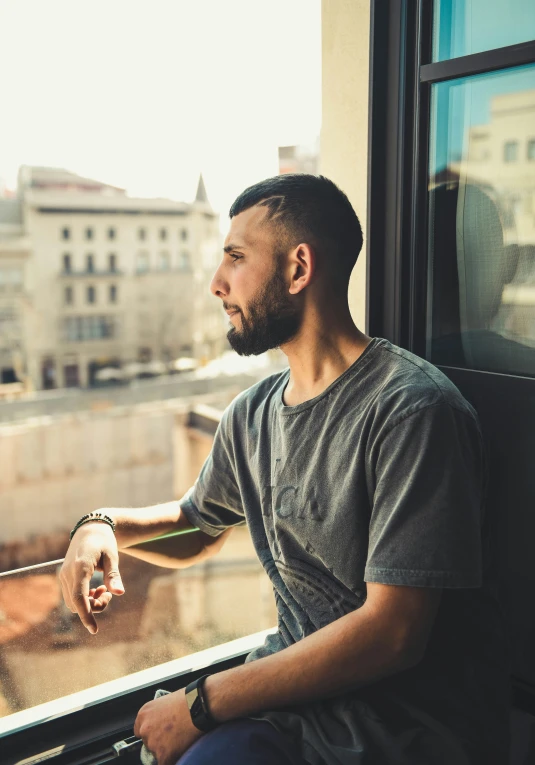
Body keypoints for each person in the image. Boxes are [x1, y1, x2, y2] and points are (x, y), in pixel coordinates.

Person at [60, 175, 510, 765]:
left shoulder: (413, 410)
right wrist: (102, 526)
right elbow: (198, 523)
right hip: (295, 714)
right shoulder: (251, 415)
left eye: (236, 258)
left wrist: (199, 704)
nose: (217, 284)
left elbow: (393, 635)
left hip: (397, 734)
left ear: (299, 270)